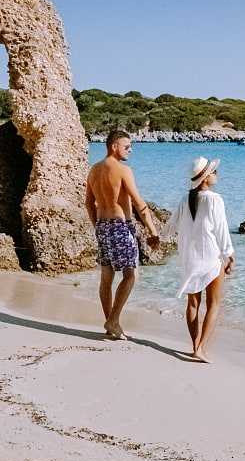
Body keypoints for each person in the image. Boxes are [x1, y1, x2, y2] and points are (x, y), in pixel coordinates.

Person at [85, 130, 160, 340]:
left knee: (106, 276)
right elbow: (139, 203)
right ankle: (113, 320)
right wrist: (152, 231)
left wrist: (97, 225)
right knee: (130, 274)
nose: (130, 150)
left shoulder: (94, 170)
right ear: (114, 146)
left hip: (102, 225)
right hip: (120, 226)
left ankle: (110, 323)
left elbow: (88, 203)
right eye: (127, 146)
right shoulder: (123, 170)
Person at [161, 156, 235, 362]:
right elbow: (221, 230)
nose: (216, 174)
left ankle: (195, 345)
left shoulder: (186, 199)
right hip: (212, 257)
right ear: (204, 178)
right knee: (214, 304)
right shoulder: (214, 199)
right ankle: (200, 348)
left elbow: (171, 225)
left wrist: (159, 238)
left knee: (193, 303)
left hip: (190, 258)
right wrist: (229, 254)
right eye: (213, 172)